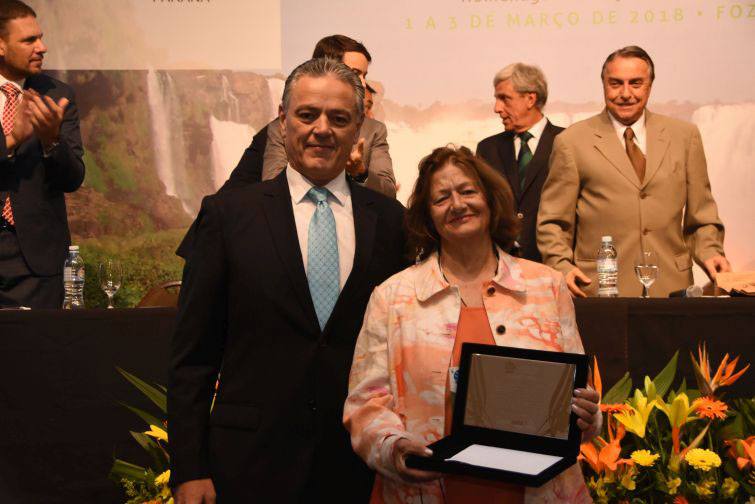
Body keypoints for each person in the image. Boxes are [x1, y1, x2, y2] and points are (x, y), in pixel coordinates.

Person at [168, 58, 407, 503]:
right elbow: (193, 358)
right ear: (282, 121)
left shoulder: (391, 224)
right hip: (248, 466)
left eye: (339, 118)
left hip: (357, 467)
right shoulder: (227, 216)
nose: (322, 129)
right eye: (307, 114)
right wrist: (189, 468)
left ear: (359, 128)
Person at [344, 146, 601, 503]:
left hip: (539, 492)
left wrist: (588, 416)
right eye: (441, 198)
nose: (458, 204)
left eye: (468, 191)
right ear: (426, 215)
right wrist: (395, 450)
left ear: (490, 200)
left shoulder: (547, 286)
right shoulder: (392, 297)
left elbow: (576, 393)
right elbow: (365, 403)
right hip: (426, 488)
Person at [537, 46, 729, 297]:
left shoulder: (684, 136)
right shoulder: (571, 141)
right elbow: (553, 222)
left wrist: (711, 252)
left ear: (650, 86)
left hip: (672, 290)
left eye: (636, 83)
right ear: (603, 84)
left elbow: (701, 217)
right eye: (616, 83)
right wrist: (561, 266)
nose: (625, 93)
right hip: (599, 291)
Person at [223, 35, 396, 198]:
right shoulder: (281, 128)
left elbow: (389, 192)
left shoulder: (374, 130)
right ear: (326, 68)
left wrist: (360, 172)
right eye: (355, 72)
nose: (363, 83)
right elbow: (273, 189)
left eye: (364, 75)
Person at [0, 0, 84, 308]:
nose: (42, 47)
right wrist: (11, 139)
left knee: (36, 353)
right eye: (29, 40)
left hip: (36, 262)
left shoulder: (57, 96)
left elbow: (73, 178)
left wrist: (52, 142)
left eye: (41, 37)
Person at [476, 63, 563, 262]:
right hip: (500, 268)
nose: (497, 108)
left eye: (504, 98)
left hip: (554, 267)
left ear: (530, 99)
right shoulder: (487, 149)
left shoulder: (567, 142)